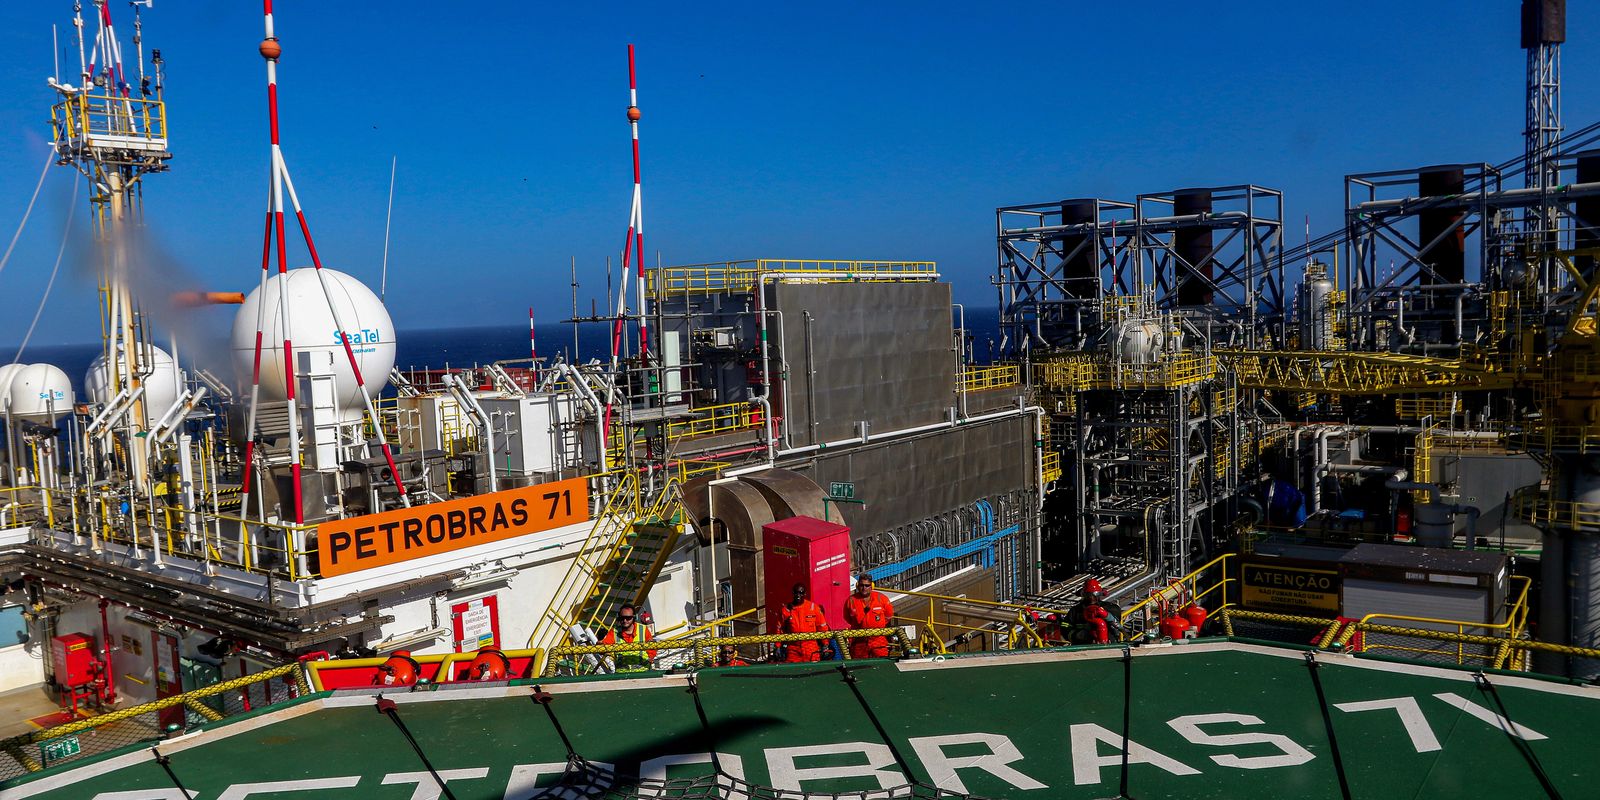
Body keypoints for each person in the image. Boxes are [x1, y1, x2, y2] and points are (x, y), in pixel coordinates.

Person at [843, 575, 895, 659]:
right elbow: (847, 618)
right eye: (861, 585)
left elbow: (888, 616)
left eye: (867, 585)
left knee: (881, 663)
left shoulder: (881, 599)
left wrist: (878, 625)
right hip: (859, 642)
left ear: (871, 586)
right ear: (857, 586)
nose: (864, 588)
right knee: (860, 665)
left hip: (878, 641)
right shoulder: (851, 600)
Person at [779, 583, 829, 662]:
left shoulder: (813, 608)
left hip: (811, 647)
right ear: (793, 593)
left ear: (805, 594)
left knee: (813, 668)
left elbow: (822, 627)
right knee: (792, 668)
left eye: (801, 593)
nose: (798, 595)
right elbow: (780, 629)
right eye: (796, 593)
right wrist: (778, 646)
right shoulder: (786, 610)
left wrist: (825, 644)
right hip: (793, 649)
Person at [600, 604, 657, 671]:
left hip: (643, 673)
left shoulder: (643, 629)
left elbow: (652, 649)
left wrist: (650, 658)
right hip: (622, 674)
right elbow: (604, 646)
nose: (625, 620)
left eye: (628, 618)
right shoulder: (614, 632)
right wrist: (600, 645)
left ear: (634, 617)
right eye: (622, 618)